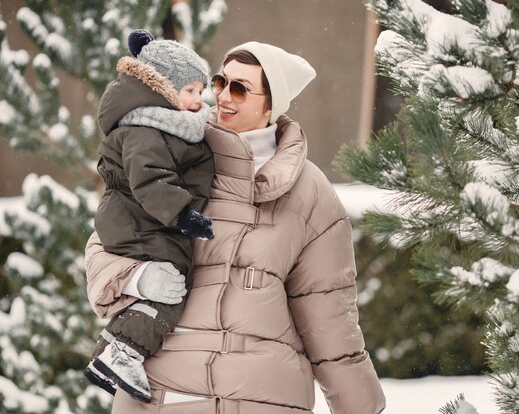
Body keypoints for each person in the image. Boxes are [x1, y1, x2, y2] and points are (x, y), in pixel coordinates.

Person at [84, 41, 386, 414]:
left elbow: (329, 317)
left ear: (271, 104)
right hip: (163, 395)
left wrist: (363, 407)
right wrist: (139, 278)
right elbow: (105, 245)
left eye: (240, 88)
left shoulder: (309, 192)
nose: (223, 96)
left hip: (264, 396)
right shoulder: (169, 154)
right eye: (220, 82)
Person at [83, 29, 216, 403]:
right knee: (172, 286)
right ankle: (125, 353)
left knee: (167, 284)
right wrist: (184, 215)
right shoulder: (144, 127)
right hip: (137, 219)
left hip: (137, 217)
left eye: (200, 89)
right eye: (189, 90)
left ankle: (109, 352)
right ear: (163, 88)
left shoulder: (164, 123)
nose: (198, 99)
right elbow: (150, 179)